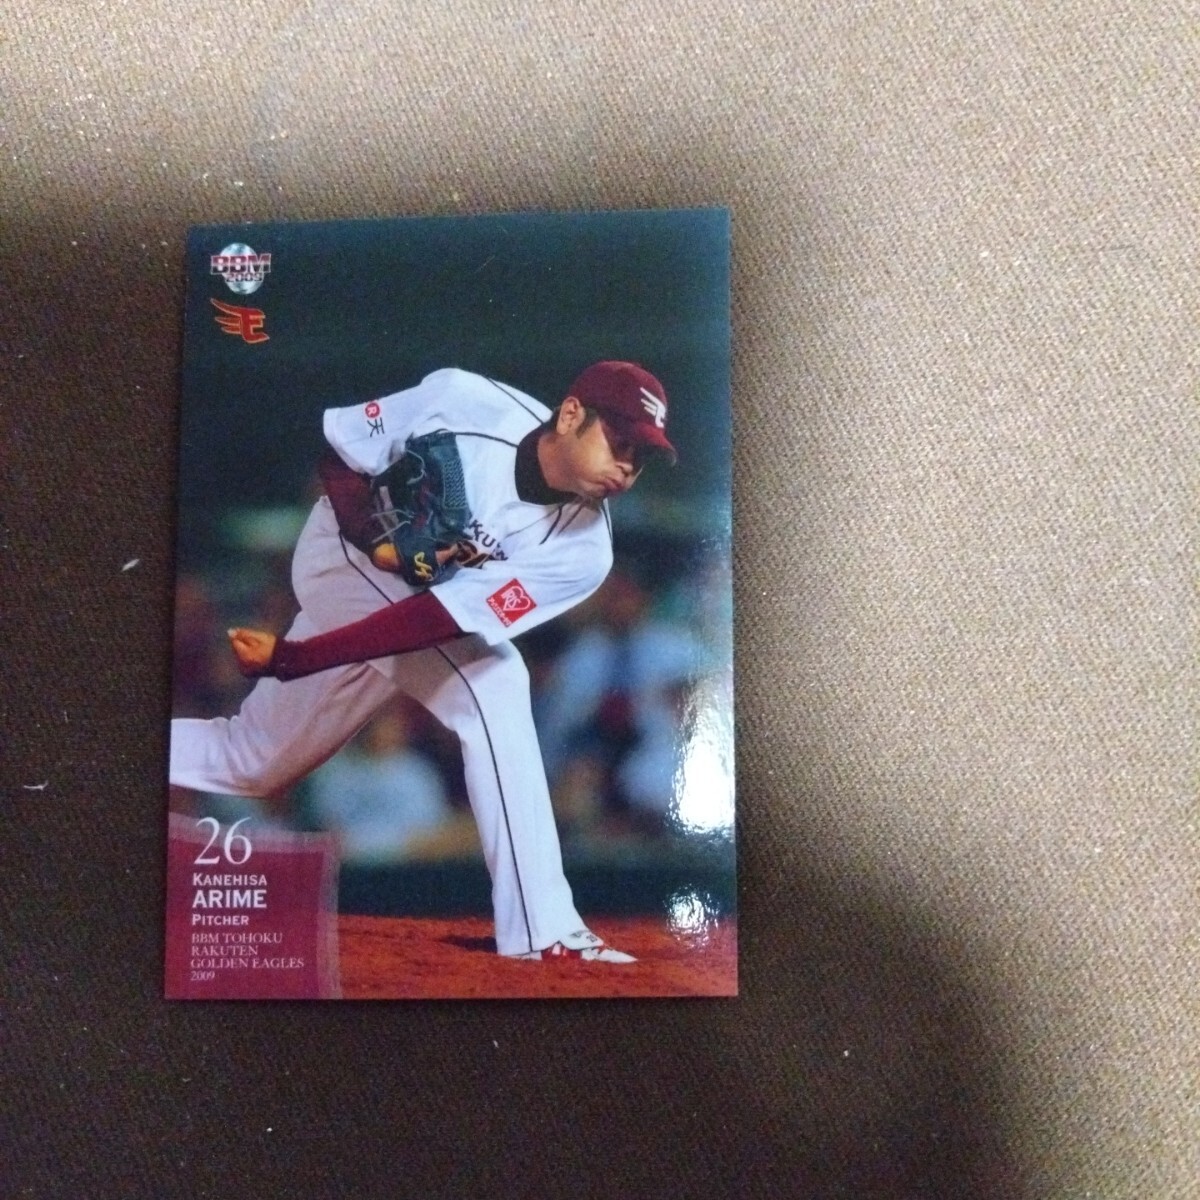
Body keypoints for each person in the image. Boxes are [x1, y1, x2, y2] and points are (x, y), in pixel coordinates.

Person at [170, 362, 677, 962]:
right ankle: (543, 932)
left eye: (641, 457)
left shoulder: (584, 554)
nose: (627, 467)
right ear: (570, 415)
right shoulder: (466, 400)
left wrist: (297, 659)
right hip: (341, 559)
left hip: (408, 614)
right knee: (495, 681)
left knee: (250, 761)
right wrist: (376, 541)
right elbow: (342, 455)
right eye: (620, 442)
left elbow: (438, 621)